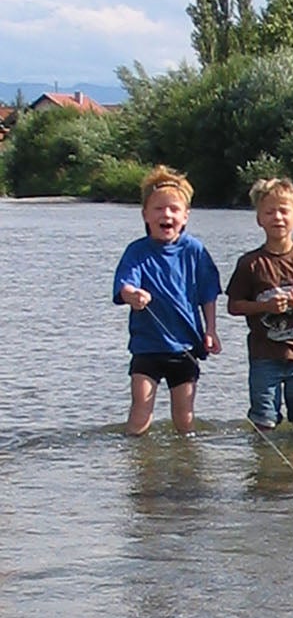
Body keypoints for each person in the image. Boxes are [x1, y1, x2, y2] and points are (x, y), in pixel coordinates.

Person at [112, 164, 222, 435]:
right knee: (140, 410)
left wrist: (210, 330)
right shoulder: (137, 251)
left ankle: (187, 463)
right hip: (146, 346)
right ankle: (137, 464)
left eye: (174, 209)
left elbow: (208, 292)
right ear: (145, 215)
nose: (166, 214)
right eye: (159, 209)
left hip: (184, 346)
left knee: (184, 417)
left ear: (185, 216)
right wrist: (132, 295)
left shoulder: (194, 250)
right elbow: (125, 285)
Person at [225, 176, 293, 430]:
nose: (278, 218)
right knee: (263, 422)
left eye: (284, 211)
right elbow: (234, 305)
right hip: (264, 355)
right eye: (269, 212)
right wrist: (265, 307)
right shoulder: (250, 263)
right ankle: (264, 466)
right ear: (259, 219)